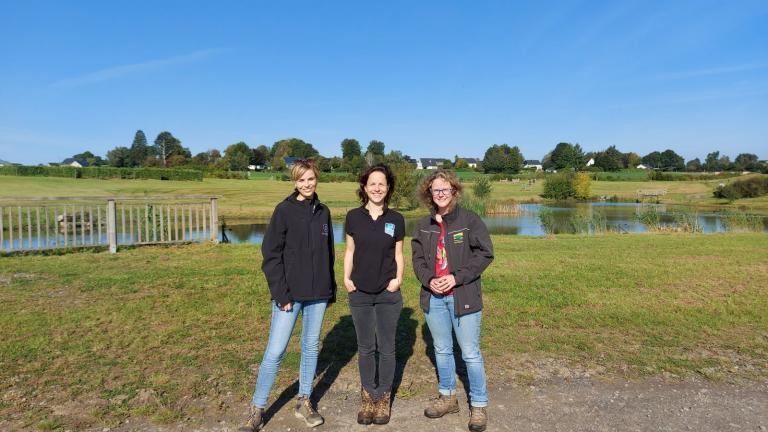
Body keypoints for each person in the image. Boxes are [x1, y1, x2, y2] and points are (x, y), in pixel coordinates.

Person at [241, 159, 336, 432]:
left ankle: (304, 401)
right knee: (276, 351)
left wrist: (329, 290)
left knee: (310, 347)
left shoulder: (324, 212)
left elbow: (328, 254)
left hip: (318, 293)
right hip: (289, 296)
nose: (307, 184)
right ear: (294, 181)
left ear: (317, 178)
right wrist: (281, 294)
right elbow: (270, 256)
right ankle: (257, 409)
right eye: (301, 180)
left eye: (311, 179)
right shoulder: (283, 211)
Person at [411, 169, 494, 432]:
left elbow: (484, 254)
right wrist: (428, 280)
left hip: (463, 296)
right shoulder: (424, 225)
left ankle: (478, 405)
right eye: (436, 190)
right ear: (429, 194)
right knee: (442, 350)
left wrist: (457, 278)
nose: (441, 193)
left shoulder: (469, 220)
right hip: (434, 298)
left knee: (470, 353)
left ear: (454, 191)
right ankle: (447, 398)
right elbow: (418, 260)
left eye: (445, 189)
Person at [344, 164, 405, 425]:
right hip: (359, 293)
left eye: (382, 183)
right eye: (372, 184)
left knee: (387, 348)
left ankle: (383, 399)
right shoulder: (353, 217)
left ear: (388, 187)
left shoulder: (396, 219)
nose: (377, 188)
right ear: (365, 188)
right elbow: (349, 251)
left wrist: (397, 280)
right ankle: (368, 396)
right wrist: (346, 279)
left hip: (387, 293)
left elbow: (399, 254)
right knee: (366, 348)